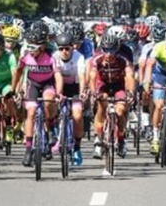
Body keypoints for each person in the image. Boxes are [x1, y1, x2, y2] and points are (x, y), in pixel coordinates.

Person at [12, 29, 58, 167]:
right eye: (28, 46)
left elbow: (58, 75)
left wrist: (59, 91)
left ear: (42, 47)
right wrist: (13, 89)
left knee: (48, 100)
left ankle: (50, 129)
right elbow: (18, 72)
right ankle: (28, 149)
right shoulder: (26, 57)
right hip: (33, 84)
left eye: (33, 47)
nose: (30, 50)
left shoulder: (51, 56)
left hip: (48, 84)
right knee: (31, 112)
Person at [89, 34, 133, 162]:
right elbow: (92, 77)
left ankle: (121, 139)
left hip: (118, 85)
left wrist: (130, 92)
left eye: (112, 50)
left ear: (117, 48)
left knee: (120, 110)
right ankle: (98, 138)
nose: (109, 54)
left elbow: (129, 76)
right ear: (101, 49)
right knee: (102, 105)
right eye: (106, 50)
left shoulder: (123, 60)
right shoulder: (96, 59)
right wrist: (93, 92)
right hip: (103, 85)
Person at [52, 32, 87, 165]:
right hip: (59, 86)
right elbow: (56, 76)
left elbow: (82, 76)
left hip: (75, 87)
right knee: (50, 105)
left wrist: (82, 92)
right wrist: (58, 93)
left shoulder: (79, 57)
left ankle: (77, 147)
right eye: (61, 48)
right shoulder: (54, 57)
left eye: (67, 48)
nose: (64, 51)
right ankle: (55, 133)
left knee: (77, 115)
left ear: (73, 47)